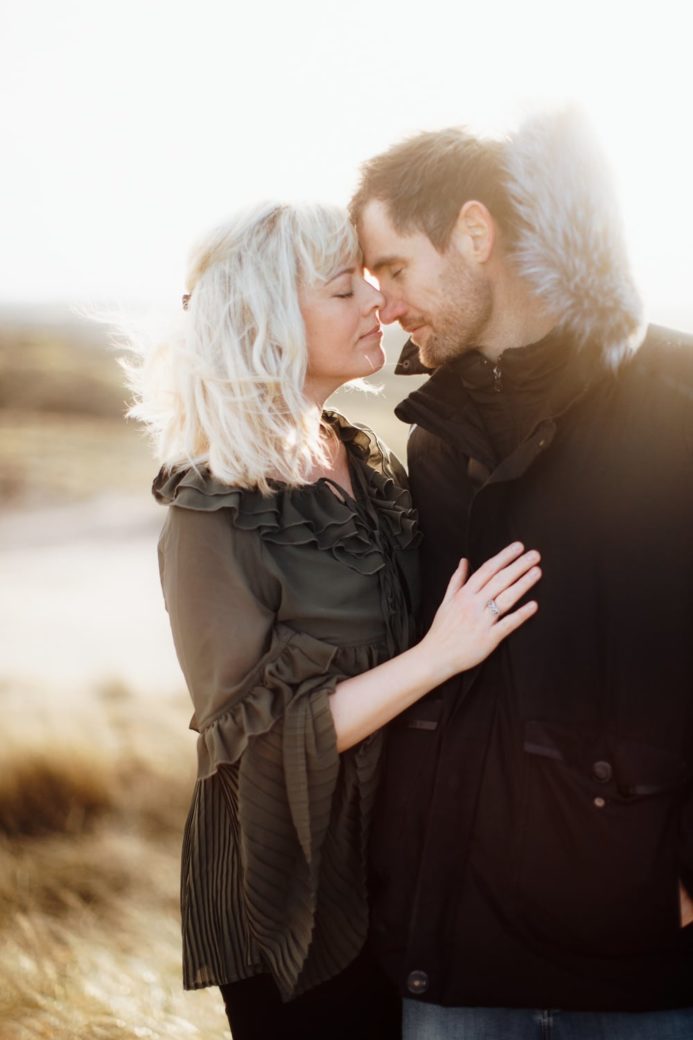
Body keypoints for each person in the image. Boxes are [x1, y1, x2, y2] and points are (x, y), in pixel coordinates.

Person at [129, 201, 541, 1039]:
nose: (379, 307)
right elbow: (259, 740)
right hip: (292, 881)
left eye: (373, 285)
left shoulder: (362, 454)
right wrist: (439, 656)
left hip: (401, 858)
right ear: (271, 321)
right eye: (345, 291)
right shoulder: (209, 512)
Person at [350, 110, 693, 1039]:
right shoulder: (429, 442)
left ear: (473, 233)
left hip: (636, 959)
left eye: (392, 268)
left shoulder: (674, 398)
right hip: (452, 957)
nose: (382, 303)